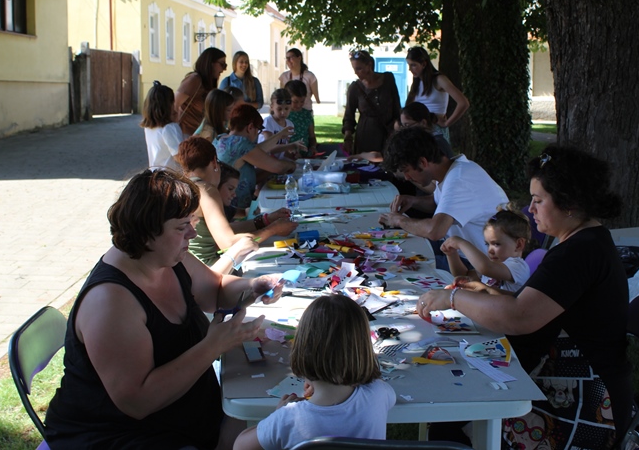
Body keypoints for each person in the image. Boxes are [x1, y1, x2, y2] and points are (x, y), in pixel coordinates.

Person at [44, 169, 286, 450]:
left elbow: (216, 290)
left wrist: (253, 286)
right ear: (146, 233)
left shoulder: (167, 258)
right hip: (116, 433)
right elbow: (137, 402)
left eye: (192, 222)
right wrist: (213, 346)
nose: (192, 233)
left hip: (182, 415)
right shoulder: (110, 301)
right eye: (182, 227)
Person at [417, 145, 632, 449]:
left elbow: (519, 317)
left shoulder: (579, 253)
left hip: (587, 404)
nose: (530, 209)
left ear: (569, 203)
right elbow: (531, 303)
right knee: (449, 412)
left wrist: (453, 299)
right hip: (567, 378)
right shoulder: (583, 242)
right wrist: (487, 293)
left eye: (538, 200)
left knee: (451, 420)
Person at [233, 295, 396, 450]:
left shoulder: (289, 418)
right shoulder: (379, 393)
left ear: (302, 349)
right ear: (364, 350)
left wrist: (277, 414)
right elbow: (376, 386)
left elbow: (240, 446)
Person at [378, 127, 508, 271]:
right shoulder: (453, 170)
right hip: (463, 252)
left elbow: (435, 231)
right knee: (396, 252)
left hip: (483, 265)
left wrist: (399, 220)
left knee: (396, 265)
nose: (407, 178)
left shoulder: (458, 180)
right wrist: (414, 201)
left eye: (406, 171)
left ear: (423, 162)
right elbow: (440, 205)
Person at [177, 137, 298, 266]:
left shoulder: (182, 188)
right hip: (209, 268)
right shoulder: (207, 190)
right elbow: (228, 244)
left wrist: (265, 220)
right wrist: (273, 230)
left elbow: (223, 230)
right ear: (214, 162)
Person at [214, 105, 296, 211]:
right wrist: (292, 164)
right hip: (236, 210)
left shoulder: (221, 139)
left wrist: (279, 135)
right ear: (250, 127)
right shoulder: (241, 143)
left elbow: (249, 174)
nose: (258, 134)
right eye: (259, 130)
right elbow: (278, 167)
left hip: (224, 206)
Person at [440, 207, 531, 293]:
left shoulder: (518, 267)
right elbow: (464, 274)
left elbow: (486, 268)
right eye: (487, 244)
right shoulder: (493, 265)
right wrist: (452, 254)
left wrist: (461, 243)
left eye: (496, 244)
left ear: (519, 245)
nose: (490, 250)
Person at [347, 102, 453, 163]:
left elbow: (433, 184)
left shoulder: (435, 144)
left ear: (423, 123)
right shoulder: (427, 141)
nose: (404, 131)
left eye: (407, 125)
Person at [341, 50, 402, 155]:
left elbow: (397, 107)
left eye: (359, 68)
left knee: (389, 161)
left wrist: (397, 129)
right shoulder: (355, 87)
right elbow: (349, 116)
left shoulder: (388, 79)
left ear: (369, 65)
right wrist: (348, 137)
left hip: (387, 132)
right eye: (354, 69)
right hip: (365, 134)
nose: (356, 72)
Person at [405, 46, 470, 139]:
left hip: (435, 130)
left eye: (413, 65)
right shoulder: (417, 82)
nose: (410, 69)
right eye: (409, 65)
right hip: (419, 130)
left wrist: (447, 123)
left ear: (423, 64)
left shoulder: (439, 79)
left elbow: (463, 103)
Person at [175, 47, 227, 136]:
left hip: (198, 134)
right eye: (222, 64)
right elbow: (175, 104)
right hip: (184, 133)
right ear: (210, 63)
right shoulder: (194, 79)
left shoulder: (208, 84)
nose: (224, 69)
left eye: (225, 66)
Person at [140, 81, 183, 171]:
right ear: (169, 105)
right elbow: (180, 157)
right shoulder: (170, 128)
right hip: (170, 176)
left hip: (155, 173)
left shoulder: (148, 127)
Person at [279, 48, 320, 112]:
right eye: (287, 58)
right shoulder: (284, 76)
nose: (288, 61)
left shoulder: (310, 76)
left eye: (291, 58)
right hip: (289, 112)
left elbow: (317, 98)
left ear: (299, 58)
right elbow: (282, 96)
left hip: (306, 110)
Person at [259, 89, 297, 158]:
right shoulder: (268, 122)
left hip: (278, 160)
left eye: (286, 109)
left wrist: (292, 153)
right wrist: (290, 146)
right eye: (279, 109)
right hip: (264, 159)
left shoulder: (289, 124)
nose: (283, 112)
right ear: (272, 107)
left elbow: (284, 148)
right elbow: (269, 148)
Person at [286, 79, 318, 156]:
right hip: (287, 155)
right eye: (295, 102)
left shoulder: (307, 115)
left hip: (305, 156)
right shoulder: (284, 115)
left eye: (302, 101)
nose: (299, 105)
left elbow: (312, 136)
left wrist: (313, 147)